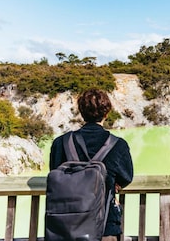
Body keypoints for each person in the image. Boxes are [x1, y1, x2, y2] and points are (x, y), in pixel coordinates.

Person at [49, 88, 134, 241]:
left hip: (65, 228)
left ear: (81, 112)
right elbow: (126, 177)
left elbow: (55, 172)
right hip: (104, 226)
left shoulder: (60, 143)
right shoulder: (118, 145)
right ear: (106, 112)